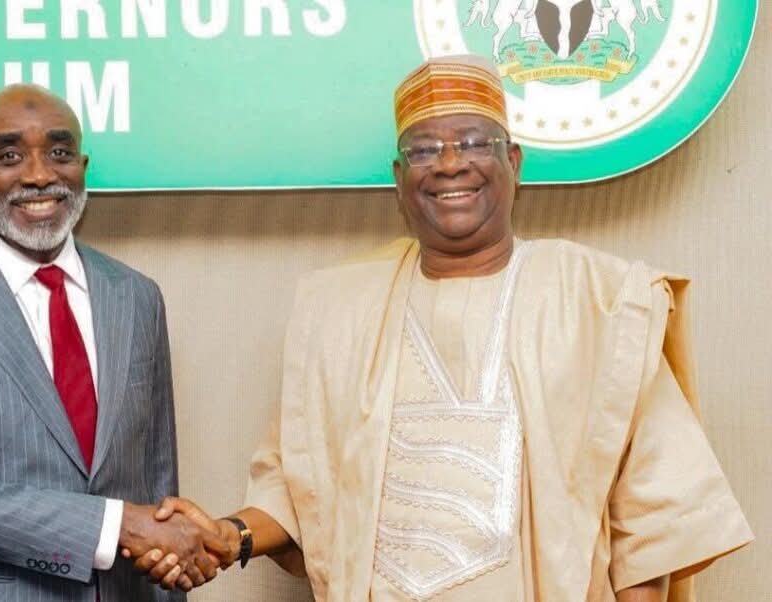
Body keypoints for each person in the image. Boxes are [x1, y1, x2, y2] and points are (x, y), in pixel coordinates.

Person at [133, 55, 754, 600]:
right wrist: (228, 537)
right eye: (424, 150)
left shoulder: (599, 300)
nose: (450, 164)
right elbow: (297, 491)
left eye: (475, 143)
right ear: (399, 178)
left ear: (514, 161)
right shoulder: (336, 311)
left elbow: (653, 517)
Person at [0, 84, 225, 602]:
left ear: (83, 166)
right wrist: (116, 526)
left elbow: (156, 487)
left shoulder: (136, 297)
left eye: (59, 153)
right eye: (9, 156)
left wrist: (173, 563)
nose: (39, 175)